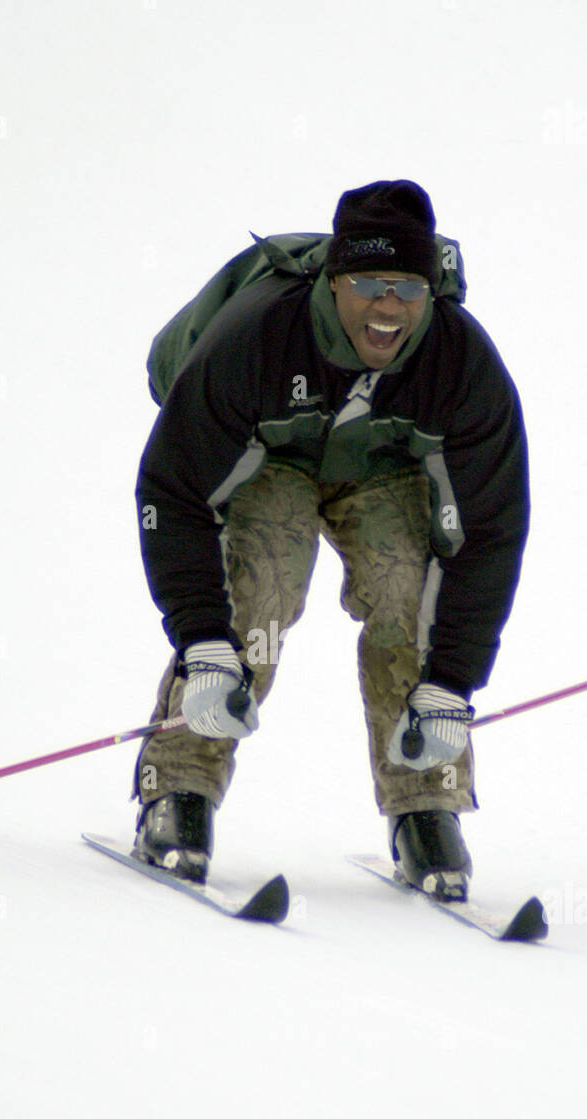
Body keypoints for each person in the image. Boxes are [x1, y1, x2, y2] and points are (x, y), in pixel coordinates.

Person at [132, 180, 529, 900]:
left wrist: (451, 686)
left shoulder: (461, 362)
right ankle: (178, 786)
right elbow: (173, 490)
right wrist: (202, 639)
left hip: (378, 471)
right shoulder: (256, 334)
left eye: (409, 286)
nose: (390, 306)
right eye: (371, 283)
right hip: (268, 459)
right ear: (334, 279)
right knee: (261, 589)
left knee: (406, 588)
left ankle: (426, 805)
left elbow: (490, 530)